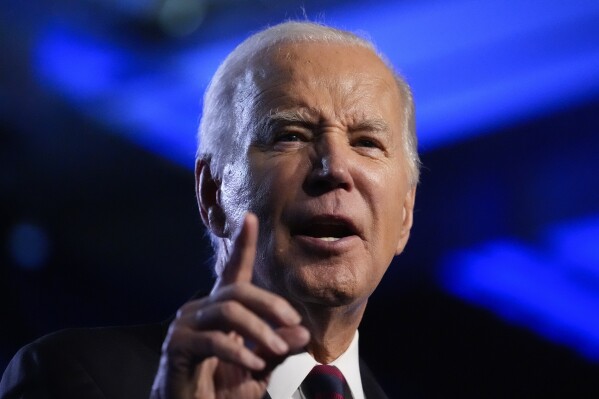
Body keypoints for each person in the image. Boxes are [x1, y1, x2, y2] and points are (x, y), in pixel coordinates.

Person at [0, 20, 419, 399]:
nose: (335, 167)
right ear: (213, 193)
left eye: (366, 142)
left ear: (404, 213)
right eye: (289, 135)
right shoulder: (72, 375)